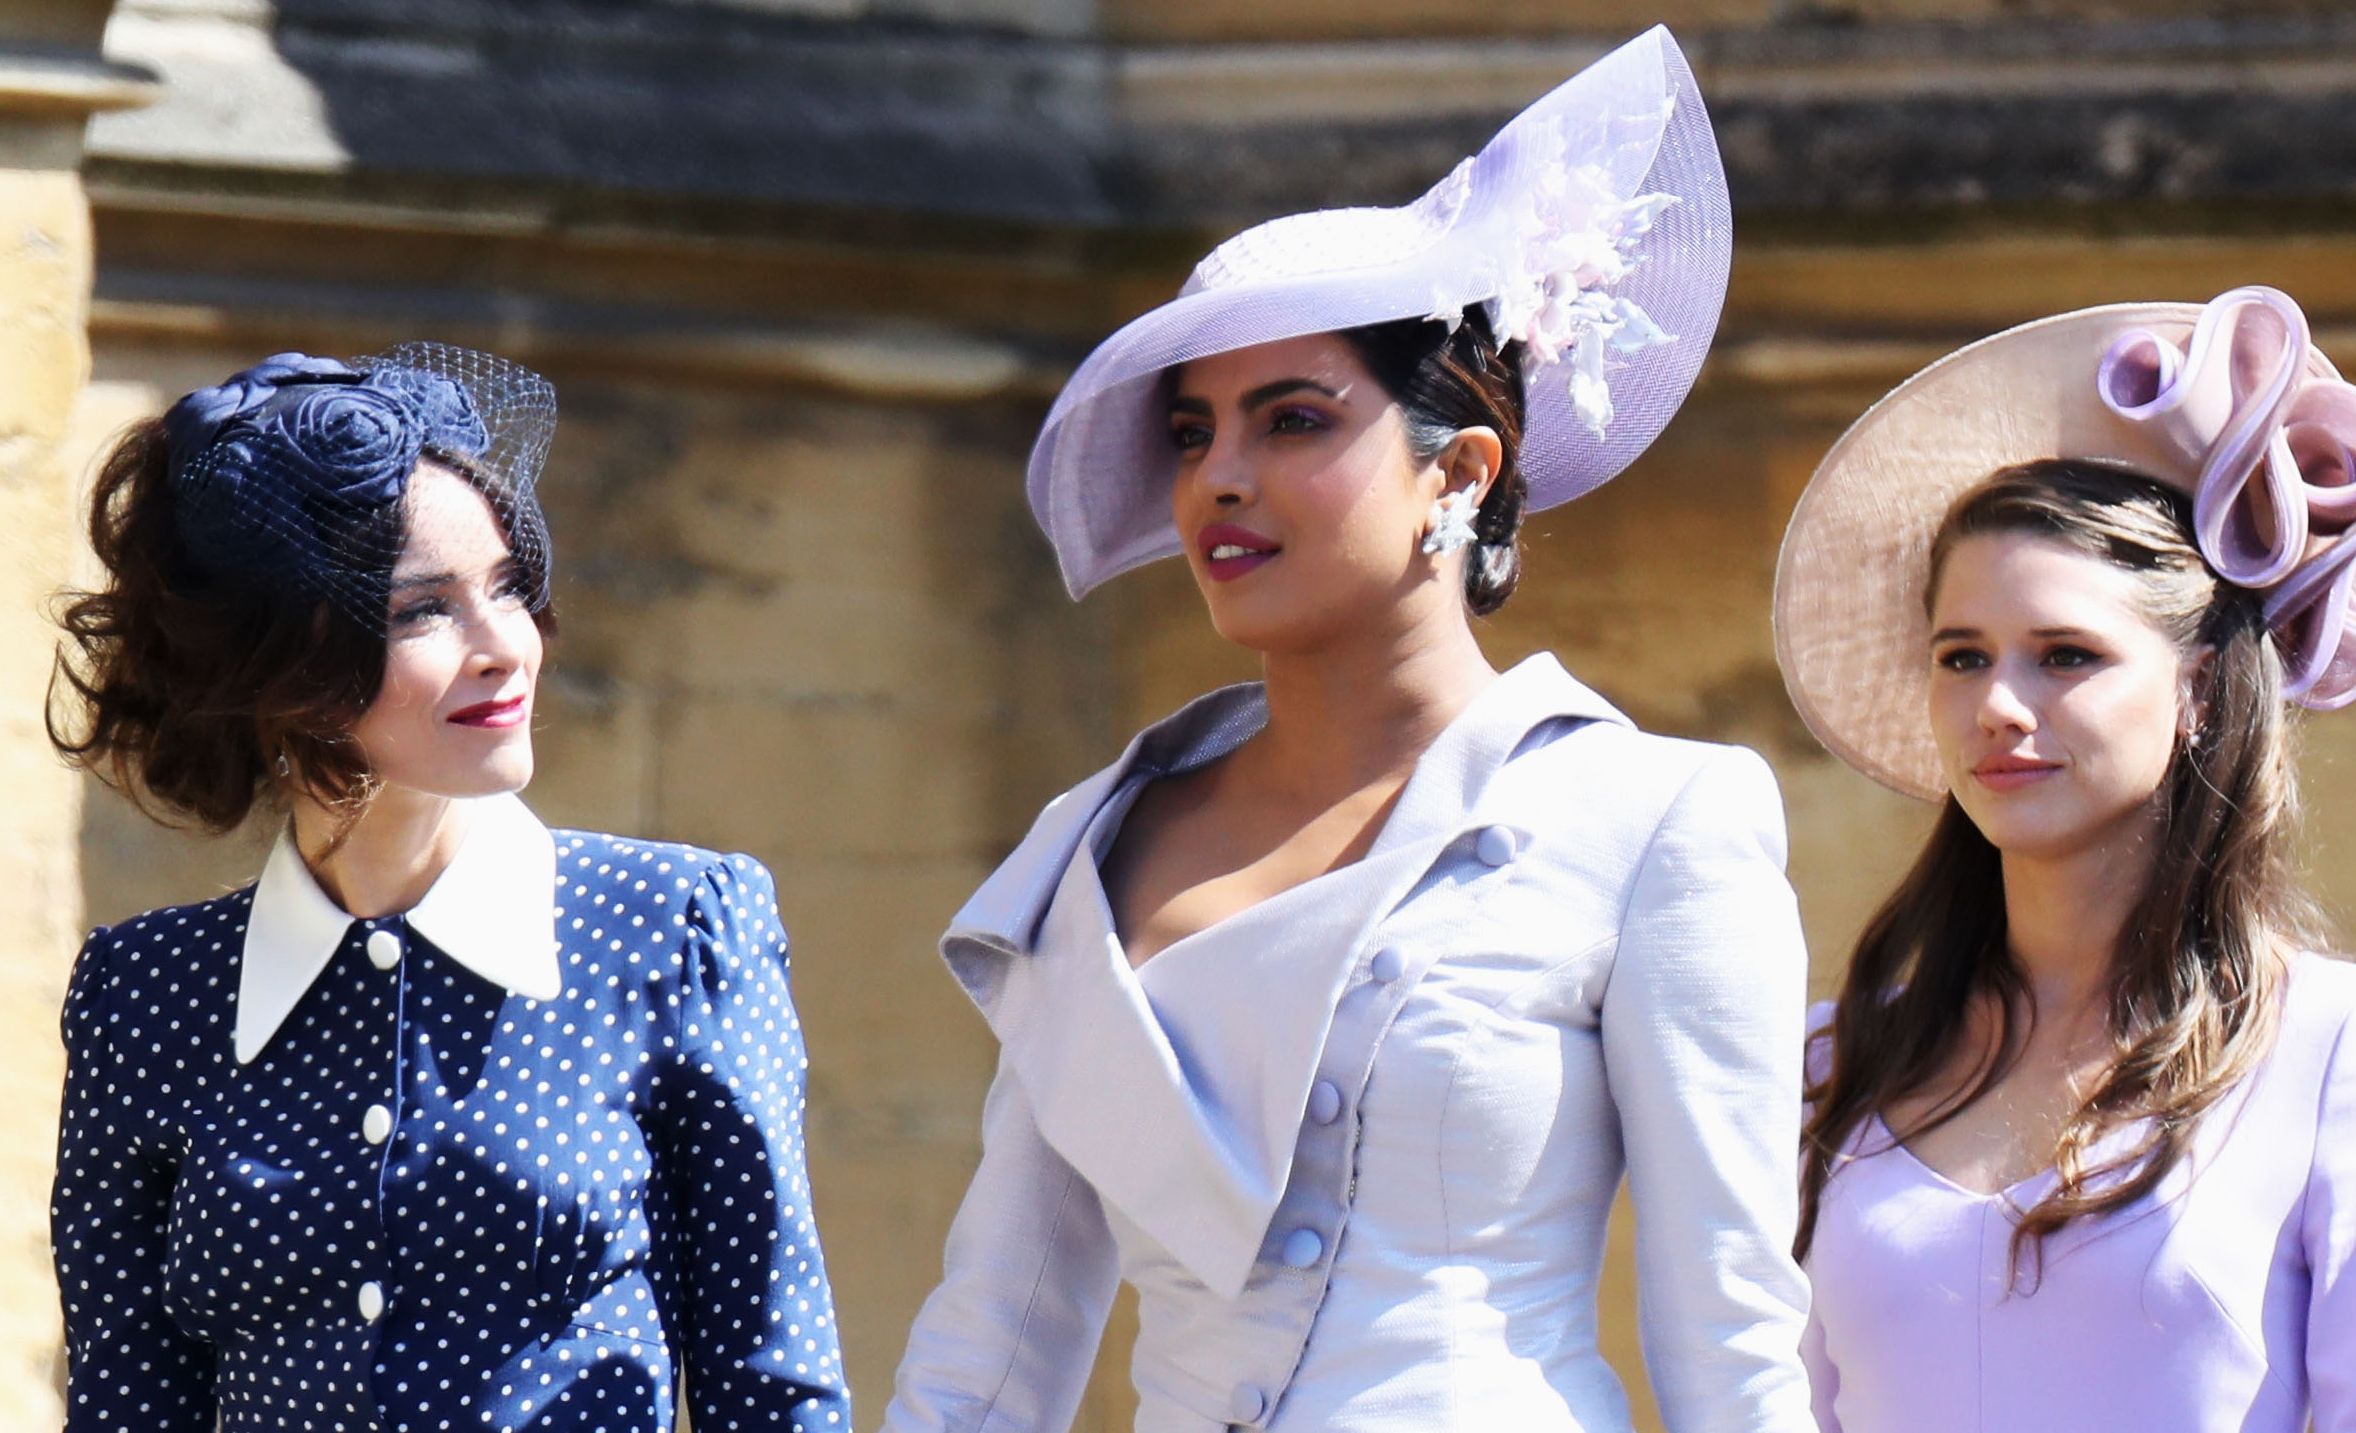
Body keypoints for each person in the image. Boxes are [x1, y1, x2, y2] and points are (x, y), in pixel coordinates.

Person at [883, 27, 1814, 1433]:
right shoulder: (1093, 837)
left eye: (1292, 419)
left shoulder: (1652, 820)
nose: (1221, 479)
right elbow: (992, 1341)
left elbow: (1731, 1345)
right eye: (1192, 433)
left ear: (1460, 470)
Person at [46, 346, 851, 1431]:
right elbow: (125, 1399)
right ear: (283, 657)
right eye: (423, 608)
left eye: (509, 588)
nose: (502, 647)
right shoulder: (145, 990)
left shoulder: (672, 925)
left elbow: (773, 1380)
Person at [1773, 285, 2356, 1432]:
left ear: (2195, 687)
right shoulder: (1828, 1060)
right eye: (1960, 656)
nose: (1998, 703)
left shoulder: (2342, 1044)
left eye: (2063, 654)